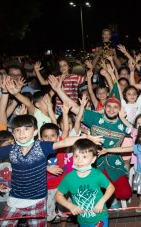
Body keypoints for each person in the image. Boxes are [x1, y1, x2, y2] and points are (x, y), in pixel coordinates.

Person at [0, 114, 102, 227]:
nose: (21, 133)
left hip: (37, 201)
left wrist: (86, 137)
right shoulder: (10, 149)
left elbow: (64, 142)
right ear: (13, 134)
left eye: (26, 129)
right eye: (17, 130)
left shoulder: (42, 146)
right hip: (15, 199)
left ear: (35, 132)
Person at [48, 75, 133, 206]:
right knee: (91, 191)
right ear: (104, 107)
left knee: (125, 193)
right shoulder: (94, 118)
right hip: (93, 163)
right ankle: (105, 198)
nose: (111, 109)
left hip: (114, 163)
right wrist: (59, 90)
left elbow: (138, 134)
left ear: (120, 109)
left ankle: (111, 196)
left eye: (115, 107)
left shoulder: (123, 125)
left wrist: (125, 120)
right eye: (108, 106)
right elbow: (74, 107)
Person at [56, 138, 115, 227]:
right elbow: (58, 196)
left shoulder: (97, 175)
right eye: (76, 156)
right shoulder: (69, 178)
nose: (79, 160)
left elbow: (111, 188)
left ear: (93, 159)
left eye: (84, 157)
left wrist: (101, 202)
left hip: (100, 217)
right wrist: (70, 206)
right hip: (82, 220)